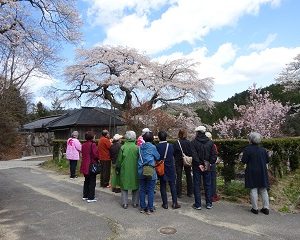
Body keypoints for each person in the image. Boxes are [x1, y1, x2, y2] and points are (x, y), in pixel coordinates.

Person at [241, 132, 270, 215]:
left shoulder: (247, 149)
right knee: (263, 189)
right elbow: (267, 160)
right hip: (262, 170)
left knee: (253, 188)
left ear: (250, 140)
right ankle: (266, 208)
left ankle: (255, 208)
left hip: (251, 170)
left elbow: (244, 161)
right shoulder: (263, 150)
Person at [191, 126, 217, 210]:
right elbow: (214, 155)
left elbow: (194, 154)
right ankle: (209, 203)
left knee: (197, 184)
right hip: (207, 165)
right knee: (208, 184)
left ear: (197, 133)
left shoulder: (193, 142)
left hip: (196, 166)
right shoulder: (210, 142)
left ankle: (198, 204)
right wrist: (209, 163)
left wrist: (199, 164)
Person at [156, 131, 181, 209]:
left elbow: (156, 157)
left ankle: (165, 204)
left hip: (161, 168)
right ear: (166, 137)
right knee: (172, 185)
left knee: (163, 186)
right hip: (170, 168)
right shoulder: (171, 146)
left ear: (159, 137)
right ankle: (175, 203)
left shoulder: (157, 146)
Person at [138, 131, 160, 215]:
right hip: (150, 170)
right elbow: (157, 157)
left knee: (142, 189)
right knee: (150, 190)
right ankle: (150, 207)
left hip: (141, 170)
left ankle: (143, 207)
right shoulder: (153, 147)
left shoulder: (139, 147)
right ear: (151, 139)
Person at [116, 131, 139, 209]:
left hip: (125, 169)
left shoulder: (123, 147)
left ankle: (125, 203)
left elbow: (119, 160)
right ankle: (135, 203)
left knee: (124, 186)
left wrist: (117, 168)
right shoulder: (137, 147)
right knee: (136, 185)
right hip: (135, 169)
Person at [173, 129, 193, 198]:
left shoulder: (176, 143)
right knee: (189, 176)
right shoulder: (189, 143)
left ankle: (179, 193)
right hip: (187, 160)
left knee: (179, 176)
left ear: (179, 134)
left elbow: (174, 153)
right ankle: (190, 192)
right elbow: (191, 152)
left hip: (178, 160)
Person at [80, 131, 99, 203]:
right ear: (92, 137)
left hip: (85, 164)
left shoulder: (83, 144)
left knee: (86, 181)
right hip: (91, 165)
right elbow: (95, 155)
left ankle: (85, 195)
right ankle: (91, 197)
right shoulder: (93, 145)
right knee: (92, 181)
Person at [205, 132, 220, 202]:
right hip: (212, 164)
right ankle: (213, 195)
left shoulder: (203, 144)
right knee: (213, 180)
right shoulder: (213, 145)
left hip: (205, 163)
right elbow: (215, 155)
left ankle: (208, 195)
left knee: (206, 180)